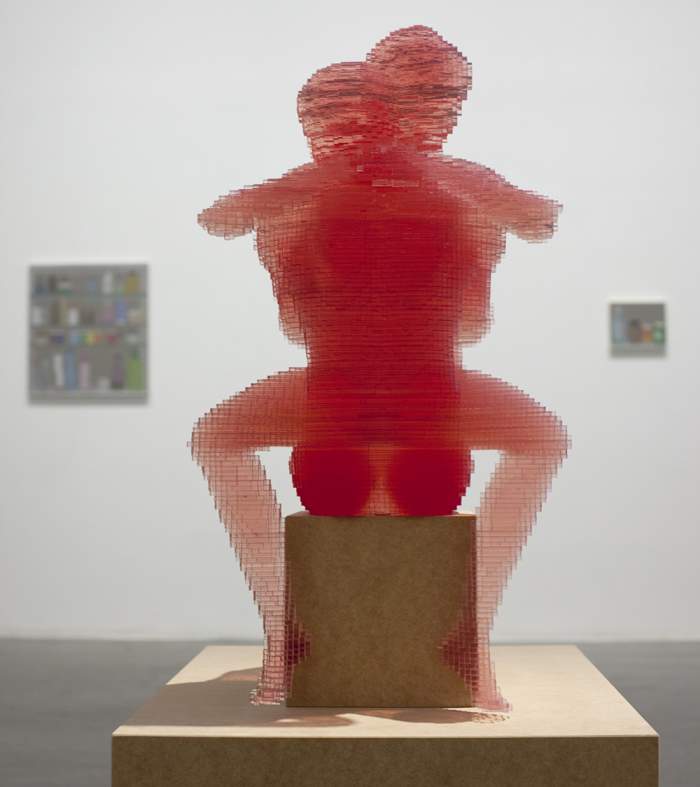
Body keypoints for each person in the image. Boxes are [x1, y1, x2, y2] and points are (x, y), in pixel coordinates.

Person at [192, 26, 569, 708]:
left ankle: (283, 636)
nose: (443, 113)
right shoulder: (461, 196)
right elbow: (478, 319)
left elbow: (279, 306)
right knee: (544, 440)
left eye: (450, 97)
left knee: (215, 438)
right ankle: (470, 639)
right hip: (433, 428)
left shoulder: (299, 204)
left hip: (330, 426)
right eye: (433, 96)